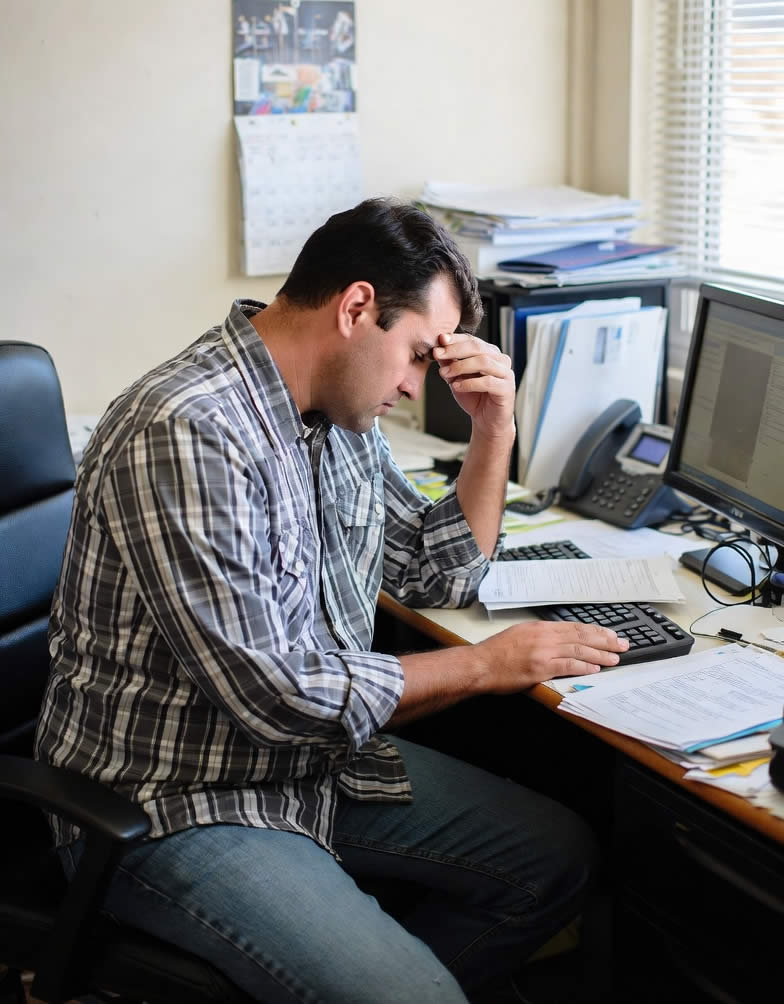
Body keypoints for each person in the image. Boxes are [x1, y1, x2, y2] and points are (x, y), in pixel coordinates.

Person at [35, 198, 628, 1004]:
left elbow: (433, 572)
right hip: (173, 803)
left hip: (308, 771)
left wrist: (495, 431)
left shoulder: (340, 414)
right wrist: (485, 666)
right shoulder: (186, 429)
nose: (419, 385)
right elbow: (276, 697)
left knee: (555, 859)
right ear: (355, 307)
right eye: (418, 355)